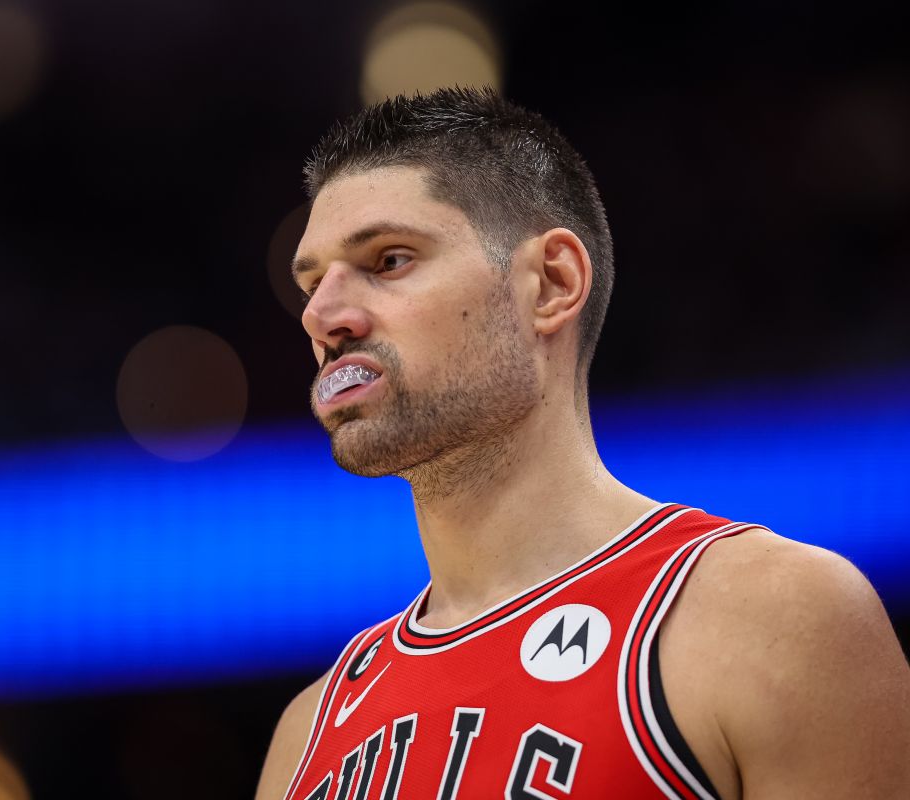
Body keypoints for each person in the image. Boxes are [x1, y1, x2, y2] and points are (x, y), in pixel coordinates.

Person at [255, 87, 910, 800]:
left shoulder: (774, 620)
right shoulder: (306, 731)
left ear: (551, 284)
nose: (323, 317)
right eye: (313, 284)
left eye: (388, 261)